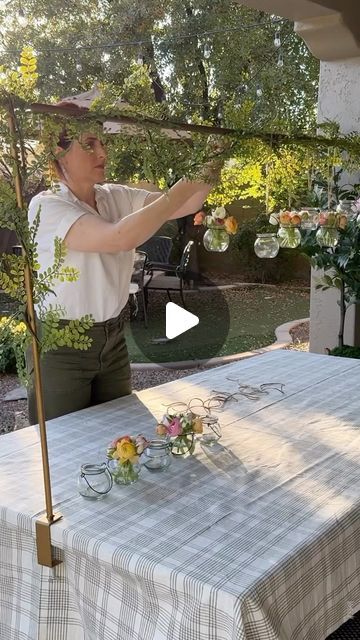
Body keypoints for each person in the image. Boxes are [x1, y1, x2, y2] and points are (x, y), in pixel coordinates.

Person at [27, 129, 225, 425]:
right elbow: (118, 237)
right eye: (90, 145)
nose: (103, 153)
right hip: (62, 347)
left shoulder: (114, 196)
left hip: (114, 340)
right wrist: (184, 185)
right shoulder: (47, 206)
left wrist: (213, 162)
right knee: (60, 446)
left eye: (102, 143)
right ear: (59, 153)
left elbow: (185, 205)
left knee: (120, 436)